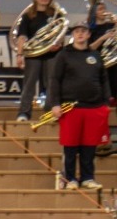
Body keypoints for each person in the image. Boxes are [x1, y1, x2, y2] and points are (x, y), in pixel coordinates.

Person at [47, 23, 110, 190]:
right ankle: (70, 179)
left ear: (88, 34)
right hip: (70, 107)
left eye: (83, 31)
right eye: (77, 31)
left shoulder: (95, 55)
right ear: (73, 35)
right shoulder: (64, 55)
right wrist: (55, 103)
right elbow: (55, 80)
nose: (80, 34)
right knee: (70, 145)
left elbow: (103, 79)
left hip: (94, 107)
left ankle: (88, 178)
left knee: (89, 146)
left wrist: (105, 102)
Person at [13, 0, 67, 122]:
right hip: (33, 55)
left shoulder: (56, 15)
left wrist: (57, 44)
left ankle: (49, 113)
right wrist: (19, 54)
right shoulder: (28, 16)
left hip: (51, 54)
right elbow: (22, 37)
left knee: (51, 84)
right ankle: (24, 113)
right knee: (29, 84)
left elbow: (61, 34)